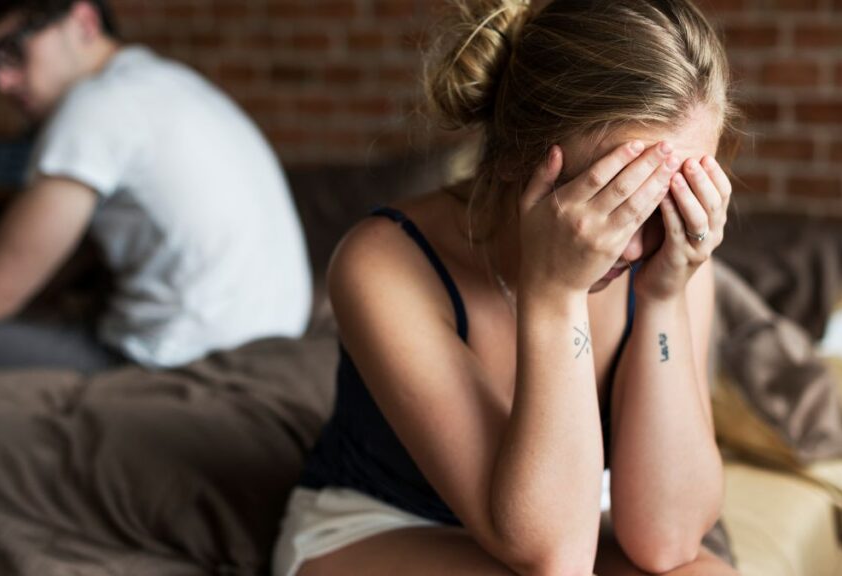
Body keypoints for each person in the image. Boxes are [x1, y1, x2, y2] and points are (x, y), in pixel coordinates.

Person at [272, 0, 742, 574]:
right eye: (613, 197)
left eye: (669, 199)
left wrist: (665, 298)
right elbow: (551, 556)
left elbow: (667, 540)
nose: (637, 247)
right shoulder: (383, 262)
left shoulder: (671, 258)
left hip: (569, 510)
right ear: (517, 160)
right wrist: (554, 295)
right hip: (389, 525)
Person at [0, 0, 311, 393]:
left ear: (83, 22)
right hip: (268, 344)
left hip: (178, 362)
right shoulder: (166, 83)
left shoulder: (93, 109)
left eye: (13, 50)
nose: (2, 82)